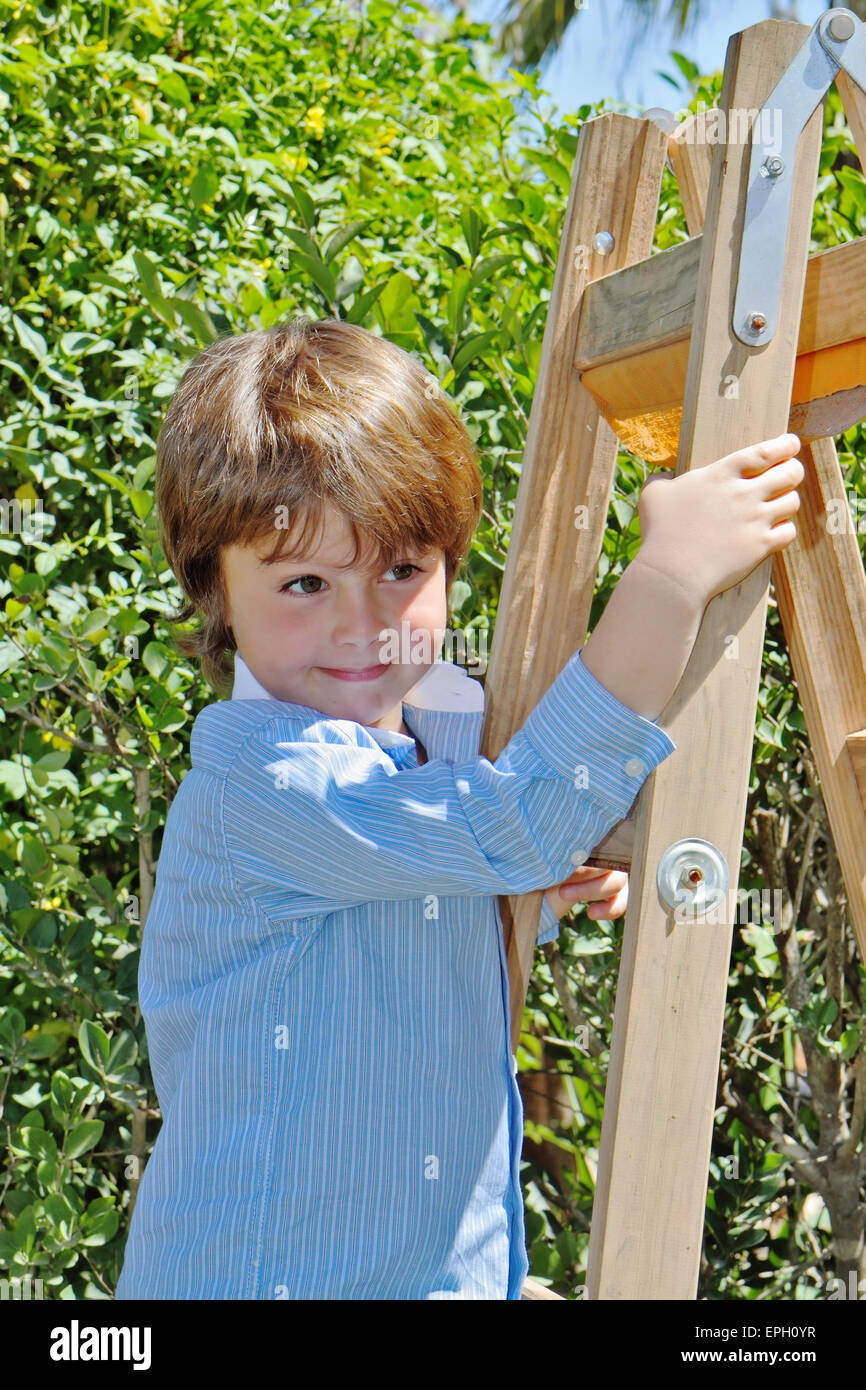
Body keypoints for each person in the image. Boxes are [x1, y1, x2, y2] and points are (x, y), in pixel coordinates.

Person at [113, 317, 804, 1300]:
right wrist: (666, 579)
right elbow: (508, 825)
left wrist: (532, 894)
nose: (363, 627)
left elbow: (381, 954)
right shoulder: (264, 782)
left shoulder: (422, 743)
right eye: (305, 581)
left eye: (401, 569)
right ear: (213, 590)